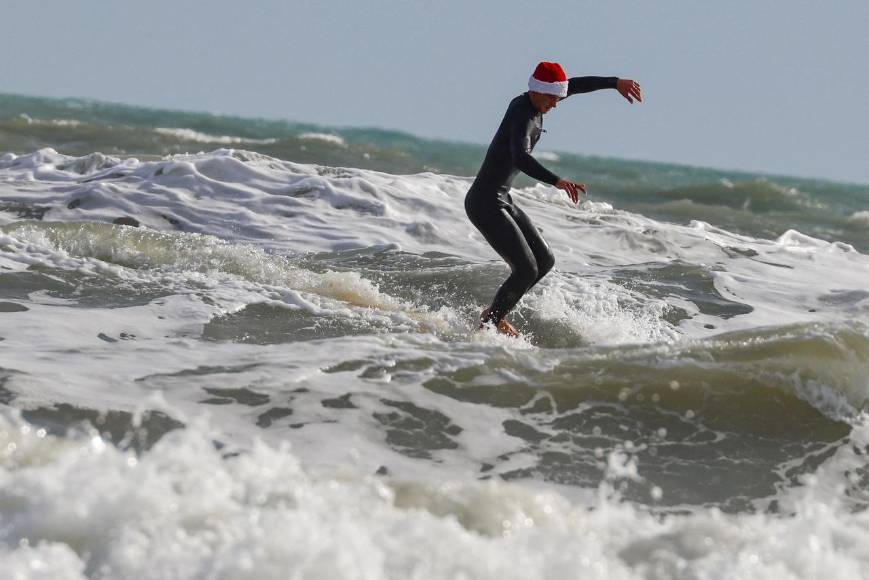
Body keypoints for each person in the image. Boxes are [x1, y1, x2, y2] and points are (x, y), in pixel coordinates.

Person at [465, 61, 642, 336]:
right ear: (537, 91)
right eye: (552, 99)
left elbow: (577, 85)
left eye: (559, 98)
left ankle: (495, 313)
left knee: (544, 261)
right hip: (484, 202)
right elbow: (520, 158)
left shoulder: (540, 99)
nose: (556, 105)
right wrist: (557, 181)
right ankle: (490, 322)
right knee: (525, 269)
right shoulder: (522, 114)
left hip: (501, 198)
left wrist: (615, 82)